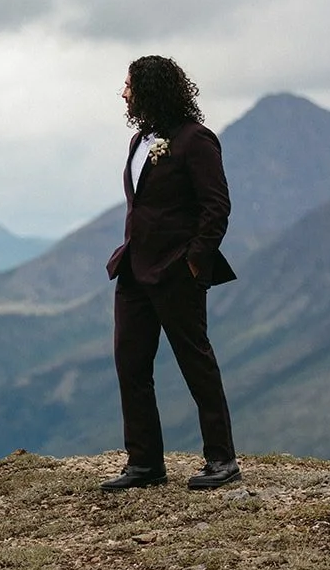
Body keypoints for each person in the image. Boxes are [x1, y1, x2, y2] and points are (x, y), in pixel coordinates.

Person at [101, 55, 241, 491]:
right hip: (134, 272)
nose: (123, 93)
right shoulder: (141, 140)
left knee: (195, 363)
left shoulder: (195, 141)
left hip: (176, 272)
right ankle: (145, 464)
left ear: (151, 89)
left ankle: (222, 460)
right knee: (131, 363)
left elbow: (216, 207)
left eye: (129, 85)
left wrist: (194, 261)